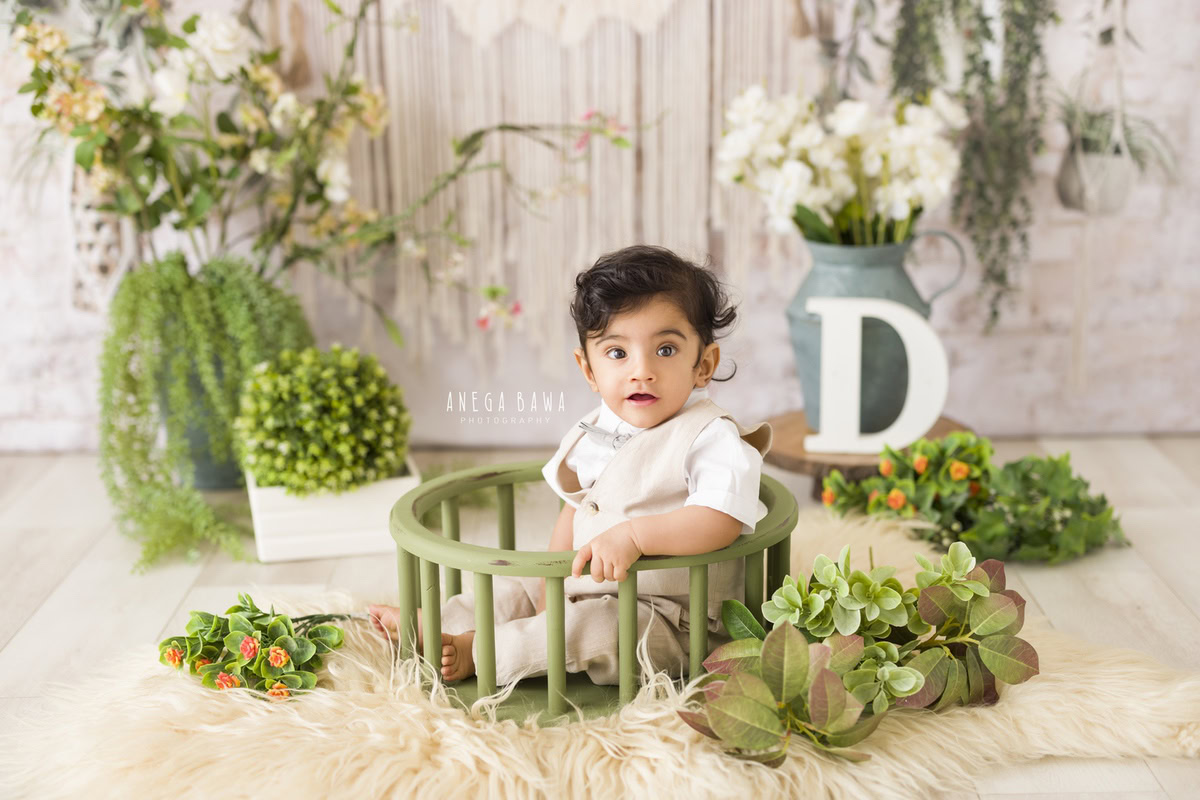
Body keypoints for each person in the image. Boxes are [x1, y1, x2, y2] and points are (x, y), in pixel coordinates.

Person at [368, 244, 773, 686]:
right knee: (514, 588)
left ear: (704, 364)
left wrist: (636, 535)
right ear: (588, 369)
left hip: (673, 618)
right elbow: (578, 509)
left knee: (595, 627)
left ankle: (479, 653)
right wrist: (552, 582)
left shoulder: (712, 437)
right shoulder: (600, 429)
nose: (642, 371)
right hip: (593, 585)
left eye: (666, 349)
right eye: (618, 353)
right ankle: (437, 622)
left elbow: (720, 520)